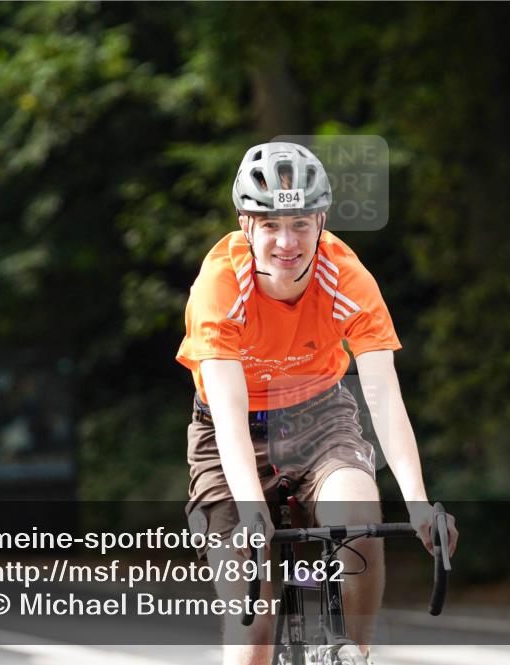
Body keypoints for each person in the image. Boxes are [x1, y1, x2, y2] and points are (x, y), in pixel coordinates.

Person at [176, 141, 459, 665]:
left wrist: (417, 500)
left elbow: (382, 396)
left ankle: (356, 651)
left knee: (355, 514)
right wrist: (250, 510)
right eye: (271, 226)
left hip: (320, 417)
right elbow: (230, 418)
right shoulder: (219, 286)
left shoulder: (347, 278)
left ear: (322, 220)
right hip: (229, 435)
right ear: (246, 225)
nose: (288, 242)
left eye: (302, 224)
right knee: (254, 626)